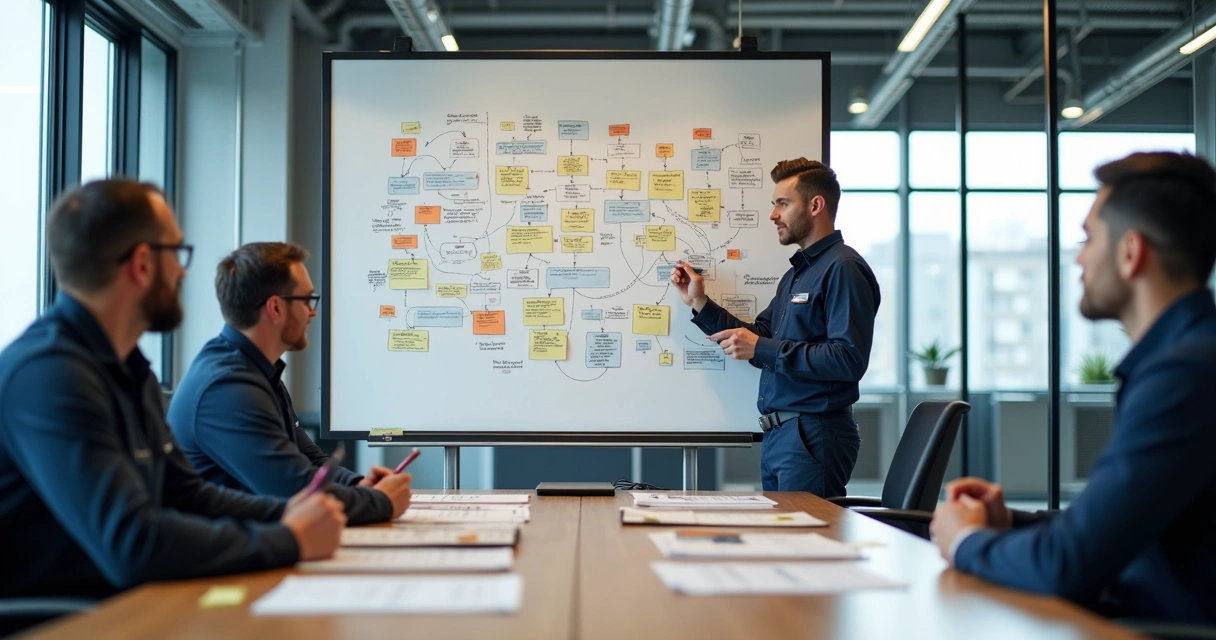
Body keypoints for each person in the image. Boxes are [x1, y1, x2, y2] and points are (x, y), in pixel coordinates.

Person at [0, 180, 345, 604]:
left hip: (127, 607)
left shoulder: (128, 368)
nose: (184, 271)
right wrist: (288, 539)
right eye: (177, 253)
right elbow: (133, 542)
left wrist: (290, 515)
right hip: (65, 622)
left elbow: (187, 495)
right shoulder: (49, 376)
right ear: (143, 264)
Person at [931, 151, 1216, 623]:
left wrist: (966, 541)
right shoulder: (1189, 358)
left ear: (1130, 252)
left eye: (1087, 240)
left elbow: (1066, 566)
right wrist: (1007, 523)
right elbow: (1109, 528)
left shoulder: (1184, 376)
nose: (1079, 258)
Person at [670, 158, 881, 497]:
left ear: (815, 205)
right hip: (781, 436)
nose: (773, 215)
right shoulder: (797, 274)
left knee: (805, 546)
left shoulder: (843, 268)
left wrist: (762, 348)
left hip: (812, 433)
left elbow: (848, 358)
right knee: (785, 543)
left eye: (782, 204)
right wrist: (699, 303)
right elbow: (758, 339)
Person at [169, 242, 411, 525]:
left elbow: (310, 461)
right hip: (224, 558)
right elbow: (297, 492)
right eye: (307, 300)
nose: (313, 312)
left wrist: (358, 485)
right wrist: (381, 501)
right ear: (275, 307)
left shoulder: (257, 370)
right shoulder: (227, 389)